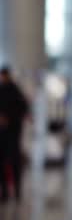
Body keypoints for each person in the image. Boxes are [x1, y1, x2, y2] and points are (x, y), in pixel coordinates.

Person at [0, 66, 29, 202]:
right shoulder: (2, 90)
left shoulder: (15, 90)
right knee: (3, 162)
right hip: (3, 134)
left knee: (14, 161)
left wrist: (9, 118)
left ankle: (17, 191)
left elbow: (23, 108)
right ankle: (5, 191)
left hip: (13, 132)